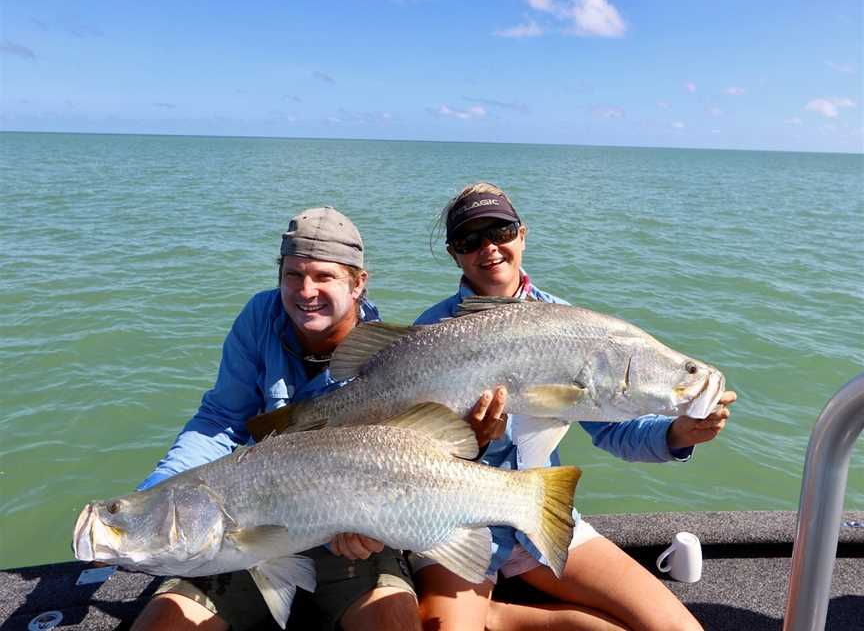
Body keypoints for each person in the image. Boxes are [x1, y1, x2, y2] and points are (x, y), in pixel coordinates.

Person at [411, 182, 737, 631]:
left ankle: (496, 616)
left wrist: (677, 434)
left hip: (540, 518)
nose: (489, 248)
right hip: (455, 522)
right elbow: (406, 452)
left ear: (522, 234)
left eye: (501, 231)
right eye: (470, 240)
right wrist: (472, 442)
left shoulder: (577, 327)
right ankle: (489, 614)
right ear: (454, 254)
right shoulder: (430, 331)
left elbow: (612, 430)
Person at [129, 207, 421, 631]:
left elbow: (406, 460)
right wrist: (155, 501)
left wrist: (381, 526)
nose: (306, 291)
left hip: (349, 541)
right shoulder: (259, 317)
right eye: (293, 275)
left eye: (324, 276)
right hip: (251, 527)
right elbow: (220, 421)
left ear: (358, 283)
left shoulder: (389, 355)